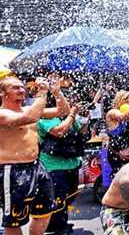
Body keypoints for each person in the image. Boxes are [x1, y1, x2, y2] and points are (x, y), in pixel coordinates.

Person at [0, 76, 68, 235]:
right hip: (12, 170)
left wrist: (57, 93)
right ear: (3, 93)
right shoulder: (2, 114)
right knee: (14, 220)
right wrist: (43, 93)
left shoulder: (30, 110)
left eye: (21, 87)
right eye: (15, 88)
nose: (21, 90)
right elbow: (29, 118)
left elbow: (63, 111)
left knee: (44, 212)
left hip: (36, 167)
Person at [38, 96, 91, 235]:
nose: (69, 104)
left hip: (71, 164)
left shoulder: (69, 117)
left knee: (69, 196)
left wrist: (85, 119)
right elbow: (59, 131)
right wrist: (73, 114)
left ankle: (60, 222)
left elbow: (82, 133)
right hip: (53, 166)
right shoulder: (45, 116)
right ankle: (55, 227)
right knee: (57, 199)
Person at [105, 88, 129, 178]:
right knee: (120, 179)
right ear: (119, 100)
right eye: (127, 100)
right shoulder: (113, 112)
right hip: (117, 154)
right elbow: (125, 116)